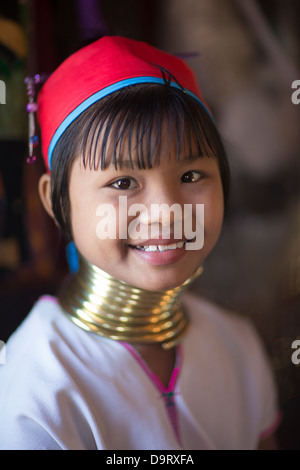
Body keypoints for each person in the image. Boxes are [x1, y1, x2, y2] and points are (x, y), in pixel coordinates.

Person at [0, 36, 281, 450]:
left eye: (191, 176)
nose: (166, 210)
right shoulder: (37, 392)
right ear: (57, 204)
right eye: (123, 182)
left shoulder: (235, 343)